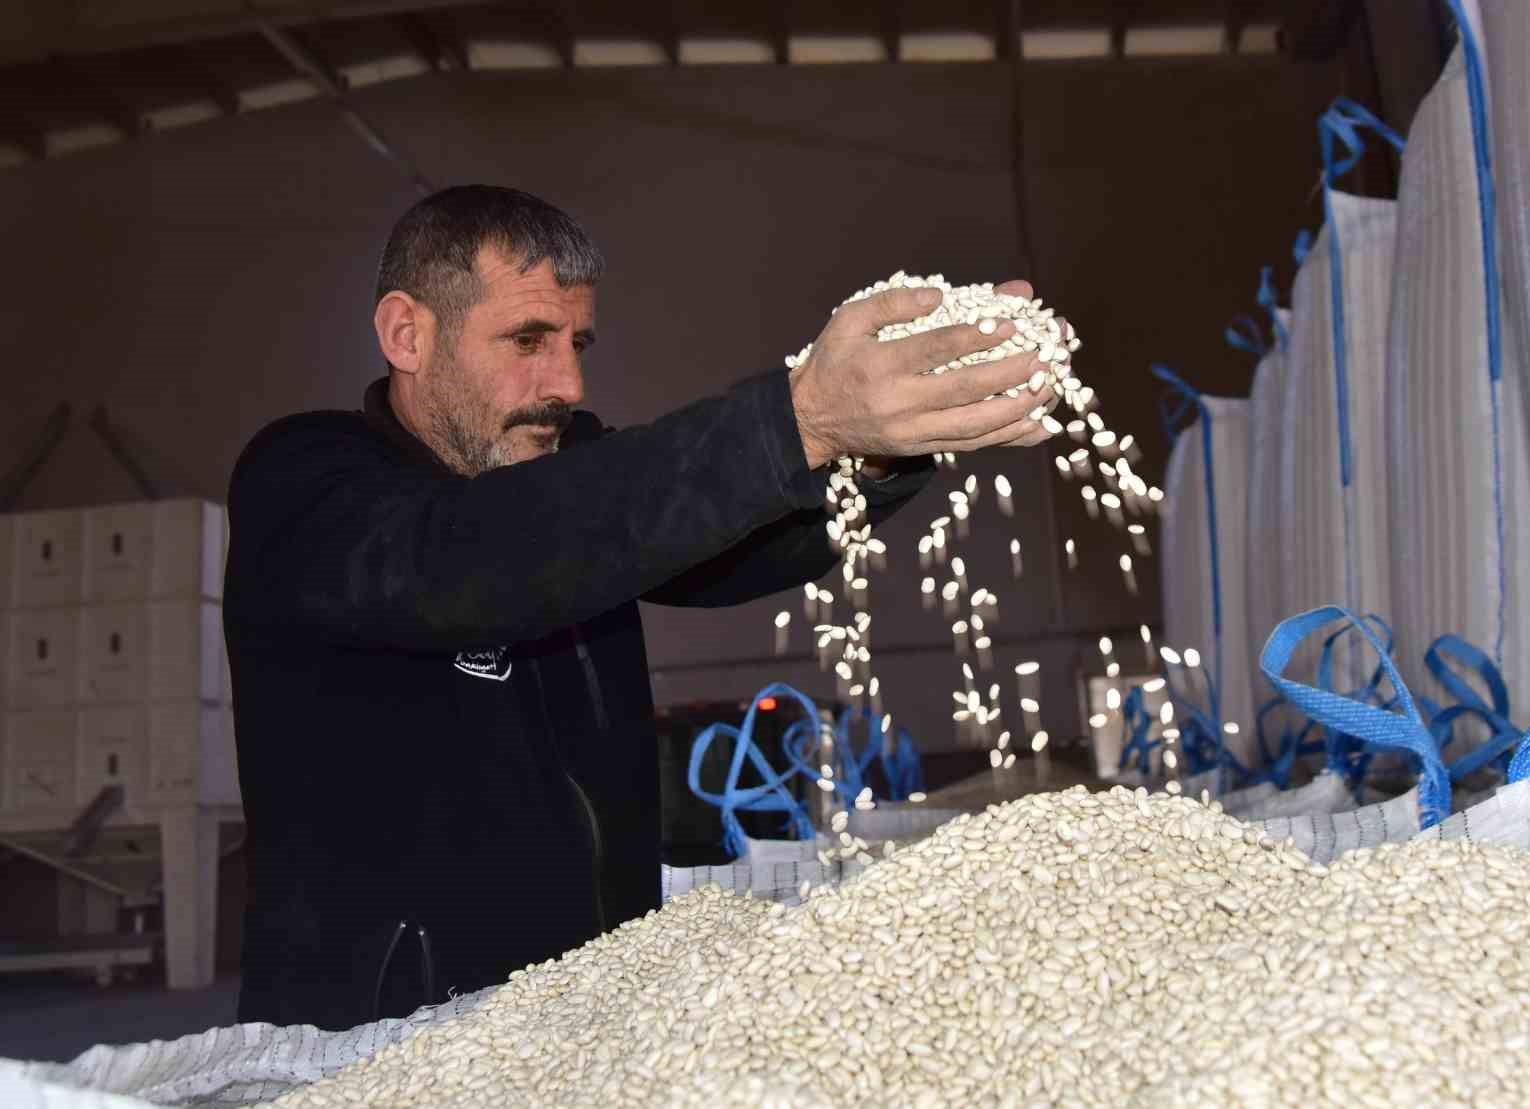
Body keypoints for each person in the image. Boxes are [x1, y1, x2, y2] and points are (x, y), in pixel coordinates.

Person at [223, 184, 1057, 1030]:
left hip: (588, 1021)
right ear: (408, 334)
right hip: (377, 1045)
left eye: (577, 342)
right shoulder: (303, 483)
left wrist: (876, 455)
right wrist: (797, 417)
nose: (568, 381)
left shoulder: (571, 469)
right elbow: (474, 556)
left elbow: (718, 540)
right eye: (528, 339)